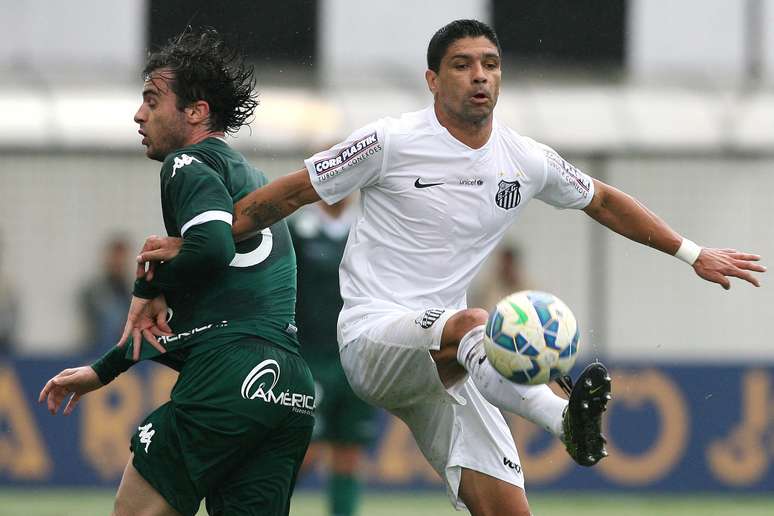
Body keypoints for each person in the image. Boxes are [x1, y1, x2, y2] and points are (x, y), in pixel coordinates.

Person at [136, 20, 766, 515]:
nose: (480, 77)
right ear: (433, 80)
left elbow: (601, 199)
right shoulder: (389, 141)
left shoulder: (524, 158)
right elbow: (293, 192)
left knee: (506, 508)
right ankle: (560, 416)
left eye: (490, 65)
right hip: (375, 338)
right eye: (463, 65)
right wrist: (195, 245)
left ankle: (560, 416)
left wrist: (691, 252)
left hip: (454, 363)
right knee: (473, 323)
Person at [39, 29, 315, 516]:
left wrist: (151, 280)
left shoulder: (187, 162)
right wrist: (104, 370)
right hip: (288, 386)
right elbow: (200, 313)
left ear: (195, 112)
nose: (139, 114)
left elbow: (208, 250)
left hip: (228, 378)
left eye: (151, 99)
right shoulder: (250, 179)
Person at [289, 196, 377, 516]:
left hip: (355, 358)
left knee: (349, 451)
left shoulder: (367, 230)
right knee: (302, 451)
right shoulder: (297, 231)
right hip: (309, 358)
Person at [79, 234, 133, 354]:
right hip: (98, 351)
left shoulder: (134, 291)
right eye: (115, 257)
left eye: (122, 257)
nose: (119, 262)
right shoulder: (94, 292)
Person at [468, 245, 528, 312]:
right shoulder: (486, 287)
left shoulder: (526, 288)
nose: (506, 267)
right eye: (504, 263)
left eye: (509, 264)